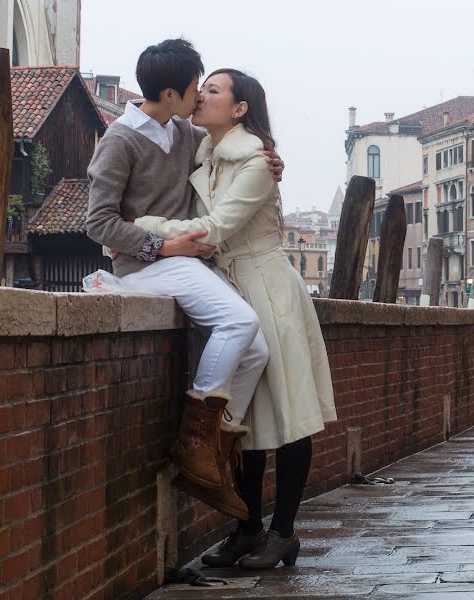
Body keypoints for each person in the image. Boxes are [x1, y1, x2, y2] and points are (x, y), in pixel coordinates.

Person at [133, 69, 337, 569]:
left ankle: (283, 531)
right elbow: (150, 122)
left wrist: (139, 227)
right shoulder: (198, 147)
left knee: (289, 416)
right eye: (201, 89)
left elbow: (215, 229)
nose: (201, 95)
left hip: (268, 288)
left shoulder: (256, 163)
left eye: (213, 90)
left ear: (240, 108)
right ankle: (247, 529)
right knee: (242, 418)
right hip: (228, 286)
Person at [85, 39, 284, 519]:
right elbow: (98, 223)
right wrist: (161, 245)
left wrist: (271, 159)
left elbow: (228, 152)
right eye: (197, 87)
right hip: (146, 266)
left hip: (185, 263)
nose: (201, 96)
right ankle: (195, 445)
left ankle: (213, 450)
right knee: (239, 323)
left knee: (254, 348)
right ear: (172, 93)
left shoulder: (181, 131)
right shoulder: (118, 140)